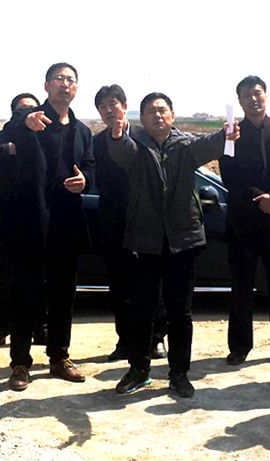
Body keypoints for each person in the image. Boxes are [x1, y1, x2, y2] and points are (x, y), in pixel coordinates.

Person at [108, 92, 239, 398]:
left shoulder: (186, 146)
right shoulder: (135, 145)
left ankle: (179, 373)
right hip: (145, 241)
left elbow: (211, 144)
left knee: (181, 313)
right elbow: (121, 152)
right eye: (150, 111)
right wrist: (117, 134)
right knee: (142, 310)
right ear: (141, 118)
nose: (157, 115)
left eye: (162, 110)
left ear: (172, 115)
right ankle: (139, 369)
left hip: (182, 240)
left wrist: (225, 134)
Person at [0, 63, 95, 392]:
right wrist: (24, 121)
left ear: (76, 88)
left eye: (70, 80)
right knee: (25, 293)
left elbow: (90, 167)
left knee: (63, 293)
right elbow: (7, 131)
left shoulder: (82, 131)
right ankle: (20, 363)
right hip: (30, 221)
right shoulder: (32, 120)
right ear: (46, 85)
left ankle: (59, 356)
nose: (64, 85)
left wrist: (85, 180)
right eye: (58, 79)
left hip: (66, 222)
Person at [218, 76, 270, 366]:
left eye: (257, 93)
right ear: (239, 101)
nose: (253, 99)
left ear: (266, 96)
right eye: (247, 95)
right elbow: (230, 176)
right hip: (242, 221)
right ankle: (239, 346)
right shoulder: (231, 134)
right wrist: (261, 199)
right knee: (241, 285)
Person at [0, 92, 50, 349]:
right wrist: (5, 150)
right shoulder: (3, 136)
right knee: (6, 276)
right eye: (21, 110)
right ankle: (1, 328)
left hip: (40, 217)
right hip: (9, 218)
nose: (27, 114)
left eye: (32, 109)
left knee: (40, 276)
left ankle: (40, 328)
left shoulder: (45, 135)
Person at [92, 84, 168, 362]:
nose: (109, 110)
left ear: (124, 106)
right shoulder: (96, 143)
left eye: (113, 104)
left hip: (145, 220)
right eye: (103, 106)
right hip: (113, 222)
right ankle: (124, 340)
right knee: (119, 284)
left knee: (151, 283)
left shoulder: (144, 136)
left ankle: (155, 339)